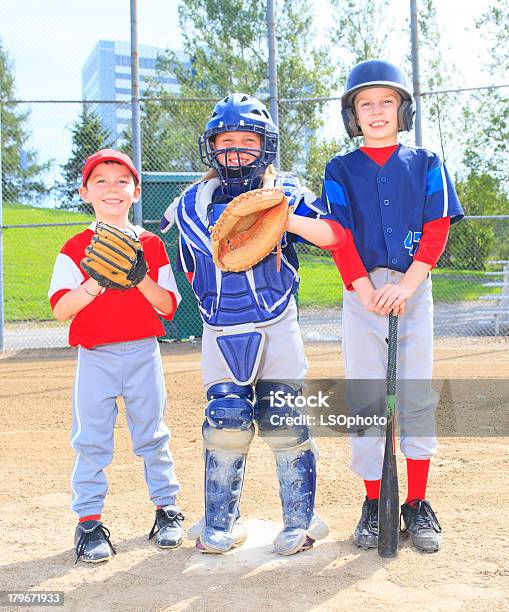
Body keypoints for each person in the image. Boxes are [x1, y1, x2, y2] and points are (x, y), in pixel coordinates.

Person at [160, 93, 345, 555]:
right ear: (211, 146)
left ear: (265, 146)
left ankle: (302, 521)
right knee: (225, 419)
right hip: (219, 328)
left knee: (282, 416)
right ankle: (221, 520)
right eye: (227, 140)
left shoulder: (285, 190)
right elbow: (184, 265)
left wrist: (288, 217)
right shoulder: (188, 206)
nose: (237, 149)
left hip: (276, 322)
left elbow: (333, 236)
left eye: (248, 139)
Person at [323, 60, 464, 552]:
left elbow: (437, 227)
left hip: (413, 287)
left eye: (387, 102)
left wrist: (408, 284)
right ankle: (374, 500)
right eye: (366, 103)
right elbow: (339, 235)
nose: (377, 111)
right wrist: (364, 290)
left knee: (415, 394)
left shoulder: (426, 163)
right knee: (366, 398)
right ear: (353, 115)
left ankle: (417, 502)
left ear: (403, 109)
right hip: (360, 291)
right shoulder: (339, 168)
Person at [48, 149, 184, 563]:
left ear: (135, 191)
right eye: (100, 181)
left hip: (143, 352)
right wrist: (96, 282)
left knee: (153, 434)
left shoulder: (151, 245)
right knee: (91, 440)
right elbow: (60, 309)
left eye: (121, 180)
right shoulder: (75, 248)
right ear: (85, 192)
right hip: (95, 356)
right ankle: (88, 522)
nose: (112, 188)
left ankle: (166, 509)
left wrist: (139, 276)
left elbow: (167, 305)